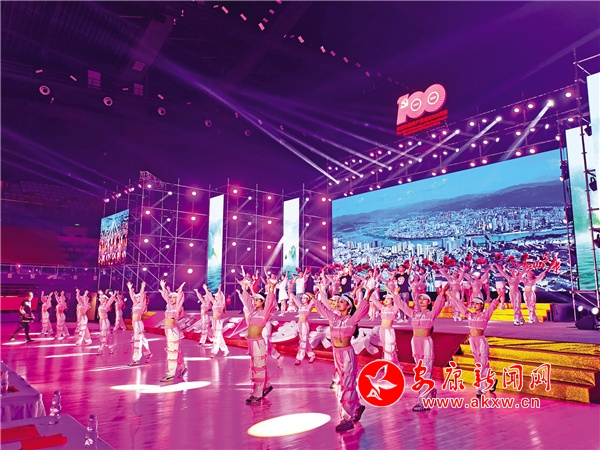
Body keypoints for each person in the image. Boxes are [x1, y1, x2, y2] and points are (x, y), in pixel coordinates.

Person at [315, 281, 372, 432]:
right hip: (337, 355)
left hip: (347, 354)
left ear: (348, 306)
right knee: (343, 383)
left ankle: (347, 418)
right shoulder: (334, 319)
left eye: (342, 302)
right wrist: (317, 296)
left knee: (347, 384)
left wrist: (368, 295)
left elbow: (362, 309)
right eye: (338, 301)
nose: (338, 303)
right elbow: (322, 309)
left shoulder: (352, 319)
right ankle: (357, 407)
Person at [398, 291, 445, 412]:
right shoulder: (414, 314)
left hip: (426, 343)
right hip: (415, 342)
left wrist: (441, 295)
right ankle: (431, 390)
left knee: (426, 370)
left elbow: (438, 306)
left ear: (429, 302)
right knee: (420, 371)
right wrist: (395, 295)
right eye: (420, 299)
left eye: (424, 299)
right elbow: (403, 306)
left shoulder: (431, 314)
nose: (421, 301)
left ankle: (424, 402)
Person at [237, 282, 277, 404]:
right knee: (257, 367)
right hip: (251, 344)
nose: (254, 302)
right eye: (254, 300)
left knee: (258, 368)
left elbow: (270, 302)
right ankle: (266, 386)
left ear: (263, 302)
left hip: (258, 344)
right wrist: (244, 289)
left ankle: (258, 393)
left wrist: (271, 290)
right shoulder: (253, 312)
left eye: (257, 300)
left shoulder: (264, 313)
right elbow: (247, 302)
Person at [452, 296, 500, 396]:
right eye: (473, 303)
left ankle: (482, 388)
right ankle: (492, 381)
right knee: (478, 364)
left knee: (482, 364)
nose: (474, 305)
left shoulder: (485, 315)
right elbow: (460, 306)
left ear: (481, 305)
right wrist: (450, 295)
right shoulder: (470, 315)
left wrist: (499, 295)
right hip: (472, 341)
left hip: (481, 341)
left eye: (477, 303)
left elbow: (492, 306)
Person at [159, 280, 187, 381]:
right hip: (168, 331)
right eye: (171, 297)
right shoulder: (170, 306)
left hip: (173, 332)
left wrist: (180, 290)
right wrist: (163, 287)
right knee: (175, 351)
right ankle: (182, 368)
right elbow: (166, 297)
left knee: (172, 351)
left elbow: (180, 299)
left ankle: (170, 374)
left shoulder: (177, 307)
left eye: (174, 297)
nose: (172, 299)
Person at [372, 291, 402, 364]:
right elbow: (374, 300)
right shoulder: (382, 308)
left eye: (388, 298)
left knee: (389, 348)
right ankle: (388, 363)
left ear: (392, 300)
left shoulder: (394, 308)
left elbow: (398, 302)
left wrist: (396, 294)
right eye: (385, 298)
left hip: (389, 331)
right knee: (385, 347)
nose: (386, 300)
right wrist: (369, 290)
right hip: (382, 329)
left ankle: (390, 364)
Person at [127, 281, 152, 366]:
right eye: (136, 297)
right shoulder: (135, 304)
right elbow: (132, 296)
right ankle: (148, 354)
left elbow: (141, 295)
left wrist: (142, 288)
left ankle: (136, 359)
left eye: (138, 297)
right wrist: (130, 288)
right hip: (135, 324)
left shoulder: (142, 304)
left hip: (138, 324)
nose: (137, 298)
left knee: (137, 341)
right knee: (143, 340)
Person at [289, 290, 316, 365]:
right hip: (299, 324)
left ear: (307, 299)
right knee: (304, 341)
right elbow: (295, 299)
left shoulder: (309, 306)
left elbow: (314, 299)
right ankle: (312, 355)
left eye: (304, 298)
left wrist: (311, 294)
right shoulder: (300, 306)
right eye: (302, 298)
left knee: (303, 341)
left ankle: (299, 358)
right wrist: (291, 293)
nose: (303, 299)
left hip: (304, 324)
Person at [204, 284, 229, 358]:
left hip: (218, 322)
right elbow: (210, 297)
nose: (215, 297)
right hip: (214, 321)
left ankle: (214, 352)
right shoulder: (214, 303)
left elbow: (221, 297)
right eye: (215, 296)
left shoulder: (221, 304)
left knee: (216, 336)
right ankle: (225, 349)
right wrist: (206, 289)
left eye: (216, 296)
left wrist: (219, 289)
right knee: (219, 337)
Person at [97, 291, 116, 355]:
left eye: (103, 298)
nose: (101, 299)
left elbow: (111, 300)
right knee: (107, 336)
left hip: (105, 322)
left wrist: (113, 294)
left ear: (106, 299)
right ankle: (111, 348)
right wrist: (101, 294)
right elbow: (101, 299)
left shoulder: (107, 305)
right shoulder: (101, 305)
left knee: (104, 335)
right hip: (101, 321)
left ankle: (100, 349)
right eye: (101, 298)